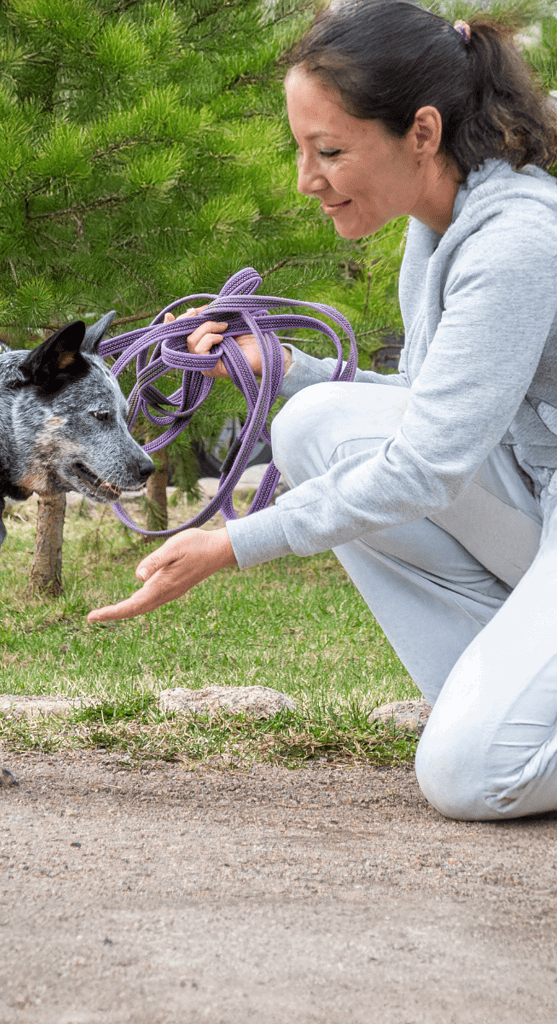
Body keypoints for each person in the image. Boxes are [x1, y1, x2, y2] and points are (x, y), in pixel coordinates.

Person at [87, 0, 557, 822]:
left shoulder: (516, 238)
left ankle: (497, 733)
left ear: (421, 131)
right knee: (310, 423)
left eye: (329, 151)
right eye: (302, 150)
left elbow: (425, 465)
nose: (307, 181)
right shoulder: (439, 221)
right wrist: (286, 369)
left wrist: (232, 542)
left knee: (467, 780)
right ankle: (499, 708)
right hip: (537, 493)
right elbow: (433, 409)